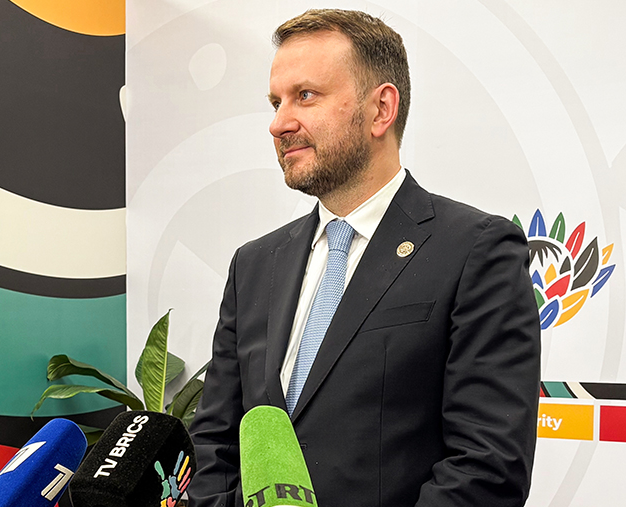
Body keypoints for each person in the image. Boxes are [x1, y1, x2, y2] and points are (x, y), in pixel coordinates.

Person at [188, 9, 541, 507]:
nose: (278, 123)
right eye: (276, 101)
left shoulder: (476, 251)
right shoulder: (254, 265)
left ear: (381, 109)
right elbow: (215, 447)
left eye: (305, 95)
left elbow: (487, 468)